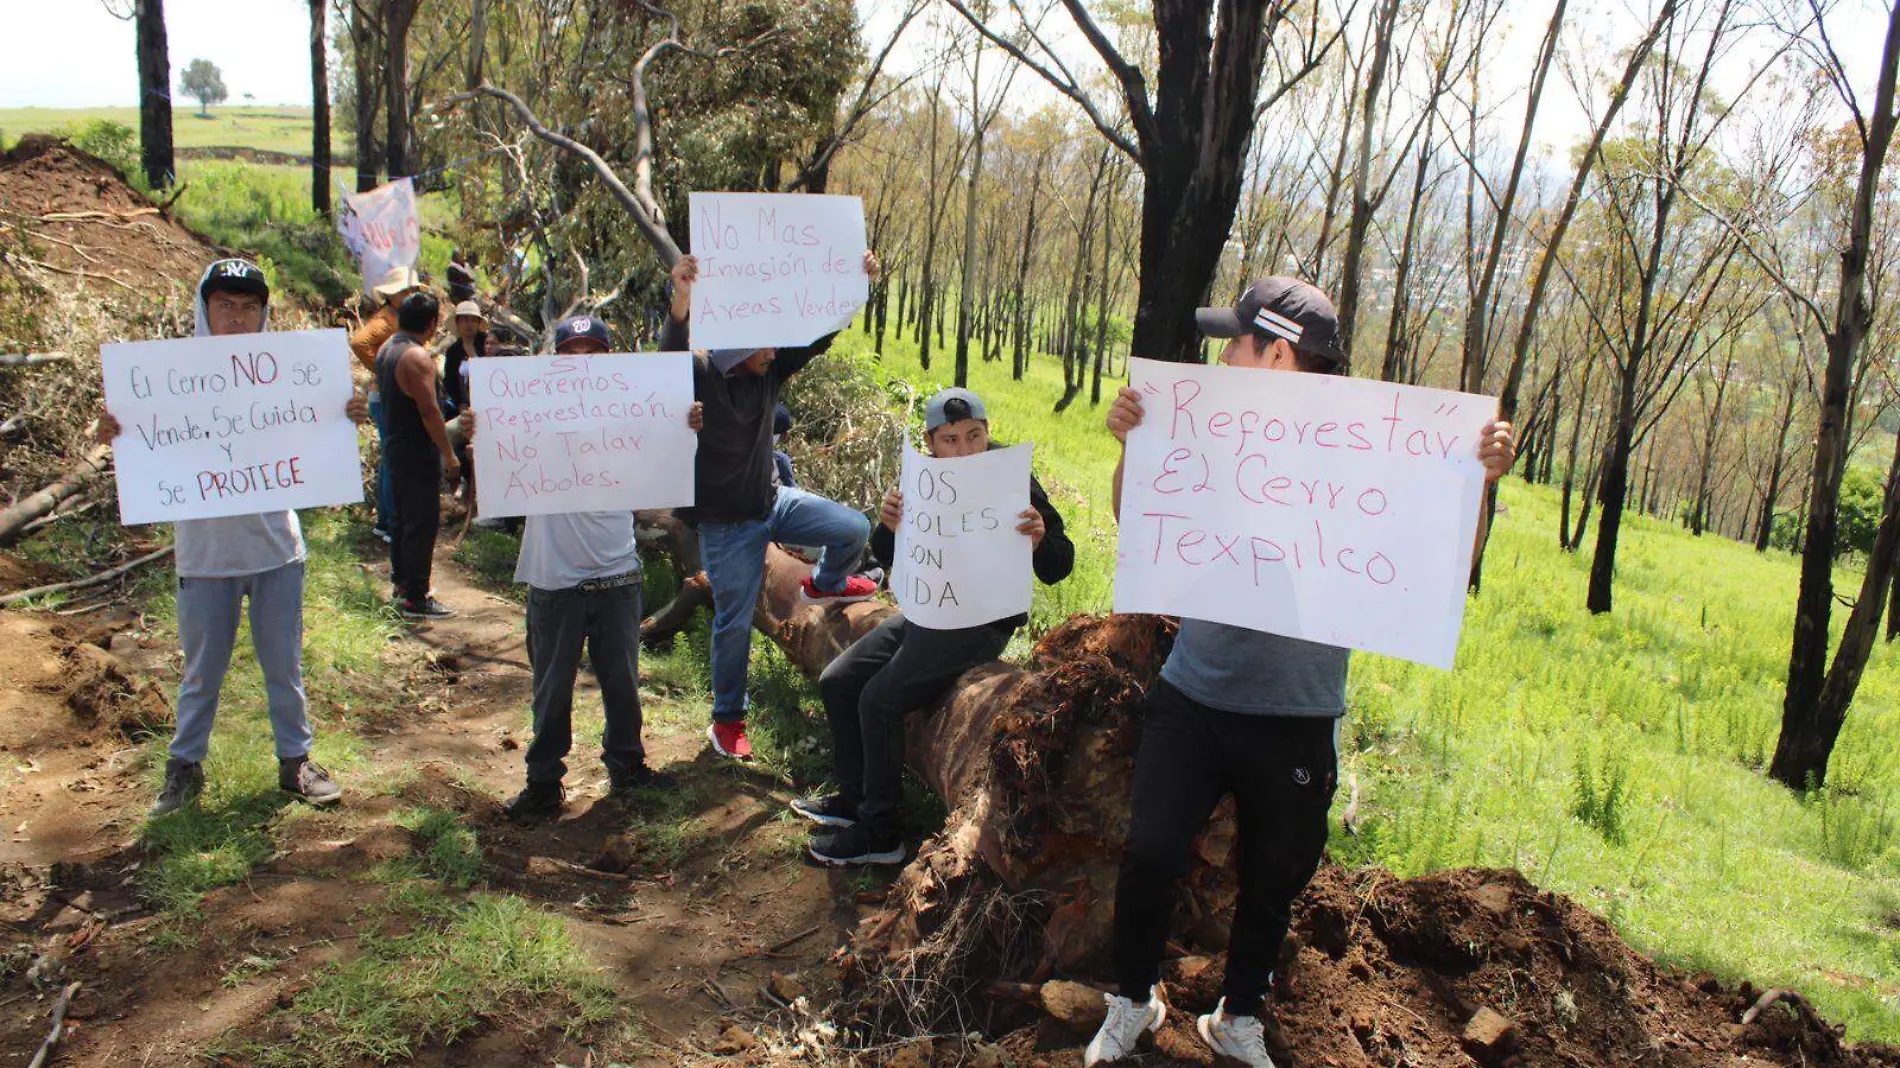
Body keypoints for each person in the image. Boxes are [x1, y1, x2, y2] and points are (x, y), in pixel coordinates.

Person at [1083, 278, 1516, 1068]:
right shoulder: (1208, 424)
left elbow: (1447, 568)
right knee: (1150, 852)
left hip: (1296, 711)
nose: (1220, 355)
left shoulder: (1375, 446)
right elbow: (1135, 520)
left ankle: (1237, 1015)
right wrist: (1132, 451)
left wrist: (1478, 486)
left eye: (1236, 342)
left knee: (1274, 878)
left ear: (1276, 353)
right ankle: (1132, 999)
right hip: (1195, 694)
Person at [92, 258, 370, 816]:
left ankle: (296, 763)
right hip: (205, 558)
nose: (238, 317)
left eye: (249, 307)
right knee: (201, 675)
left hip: (276, 553)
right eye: (226, 305)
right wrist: (114, 431)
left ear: (263, 314)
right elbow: (145, 447)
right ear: (205, 308)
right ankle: (184, 769)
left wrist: (348, 412)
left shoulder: (289, 374)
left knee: (283, 669)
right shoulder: (166, 382)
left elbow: (318, 434)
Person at [796, 387, 1073, 866]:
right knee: (838, 680)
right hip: (931, 611)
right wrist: (888, 525)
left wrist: (1041, 540)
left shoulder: (1011, 478)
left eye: (974, 436)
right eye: (951, 440)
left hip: (982, 620)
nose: (965, 449)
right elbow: (889, 555)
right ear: (931, 442)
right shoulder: (922, 478)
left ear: (988, 433)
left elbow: (1060, 565)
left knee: (879, 699)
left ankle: (880, 833)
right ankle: (854, 799)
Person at [463, 316, 706, 818]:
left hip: (617, 574)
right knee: (551, 691)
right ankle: (544, 782)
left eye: (592, 351)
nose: (581, 361)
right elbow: (496, 487)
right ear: (556, 360)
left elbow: (669, 468)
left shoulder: (631, 413)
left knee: (623, 683)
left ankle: (627, 766)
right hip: (554, 580)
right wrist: (481, 433)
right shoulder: (526, 414)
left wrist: (686, 427)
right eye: (570, 351)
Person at [663, 252, 883, 761]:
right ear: (739, 345)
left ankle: (824, 583)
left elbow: (817, 335)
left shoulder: (769, 370)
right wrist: (681, 298)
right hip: (725, 527)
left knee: (852, 527)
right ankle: (727, 721)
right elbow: (668, 357)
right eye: (765, 340)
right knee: (734, 622)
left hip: (774, 501)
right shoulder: (699, 375)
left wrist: (855, 284)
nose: (775, 347)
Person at [376, 290, 459, 619]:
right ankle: (417, 596)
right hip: (416, 450)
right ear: (432, 323)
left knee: (402, 520)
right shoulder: (416, 358)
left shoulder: (388, 349)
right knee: (422, 523)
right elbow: (429, 413)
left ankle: (402, 585)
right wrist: (449, 455)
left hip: (396, 445)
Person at [351, 266, 423, 543]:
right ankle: (392, 522)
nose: (410, 295)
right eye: (406, 291)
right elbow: (359, 342)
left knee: (389, 458)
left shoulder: (397, 318)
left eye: (413, 291)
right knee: (394, 458)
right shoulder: (387, 319)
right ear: (393, 295)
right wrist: (384, 370)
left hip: (386, 395)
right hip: (386, 396)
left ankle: (386, 520)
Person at [443, 301, 487, 508]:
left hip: (489, 409)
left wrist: (473, 355)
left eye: (473, 320)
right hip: (464, 409)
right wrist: (462, 406)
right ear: (458, 323)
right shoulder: (452, 352)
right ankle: (454, 482)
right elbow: (450, 384)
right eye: (465, 320)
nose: (469, 325)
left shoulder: (487, 344)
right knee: (445, 435)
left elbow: (493, 375)